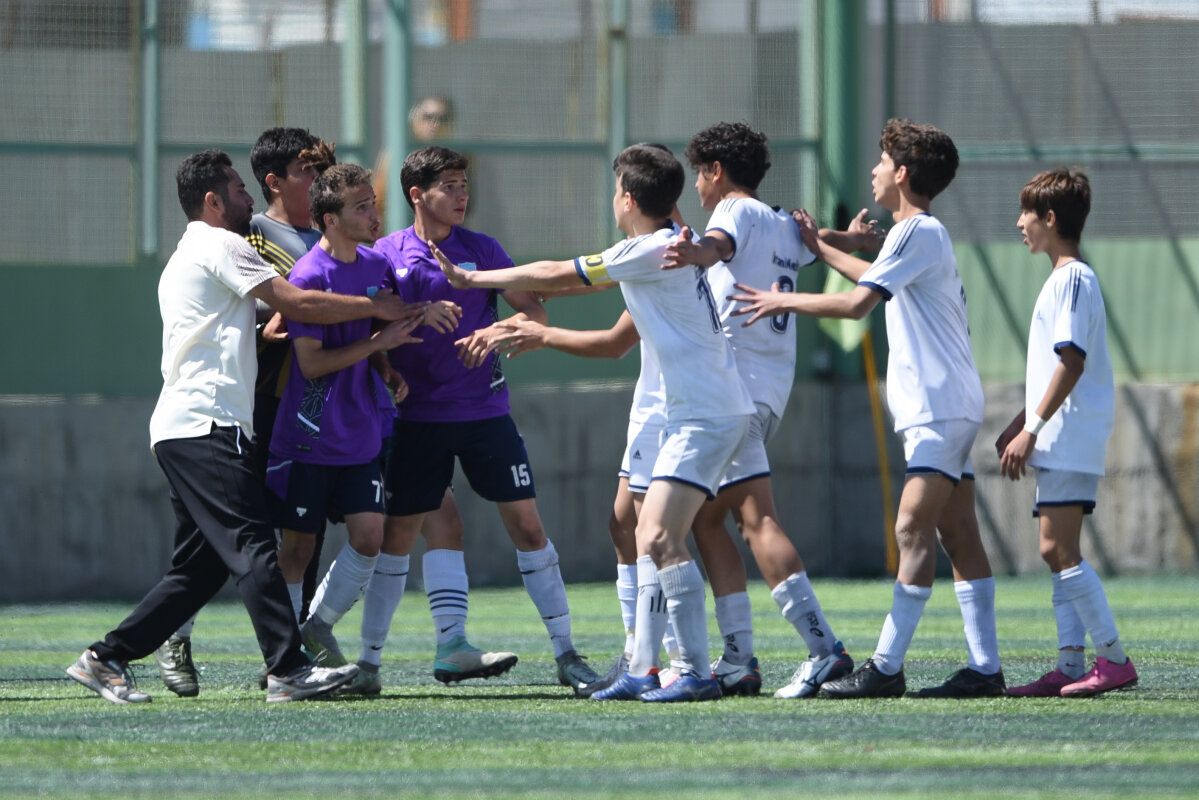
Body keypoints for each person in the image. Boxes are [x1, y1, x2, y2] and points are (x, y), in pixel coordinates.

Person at [66, 149, 427, 704]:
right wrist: (376, 309)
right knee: (254, 545)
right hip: (208, 423)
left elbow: (242, 319)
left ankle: (105, 656)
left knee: (202, 568)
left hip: (185, 425)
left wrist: (265, 329)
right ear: (213, 201)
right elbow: (296, 301)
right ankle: (288, 668)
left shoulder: (188, 253)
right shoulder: (221, 243)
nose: (249, 197)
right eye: (238, 189)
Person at [433, 143, 756, 702]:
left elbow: (556, 273)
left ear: (627, 199)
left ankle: (693, 670)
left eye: (616, 190)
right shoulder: (659, 245)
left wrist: (470, 278)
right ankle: (645, 667)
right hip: (700, 410)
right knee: (644, 530)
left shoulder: (651, 248)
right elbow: (588, 299)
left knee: (657, 535)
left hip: (706, 413)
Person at [730, 119, 1004, 698]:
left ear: (901, 173)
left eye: (881, 161)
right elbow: (872, 277)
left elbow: (857, 304)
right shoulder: (918, 233)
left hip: (939, 407)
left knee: (911, 527)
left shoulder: (917, 229)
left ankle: (885, 667)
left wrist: (784, 300)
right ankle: (985, 668)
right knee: (958, 532)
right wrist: (823, 247)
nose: (874, 171)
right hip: (947, 404)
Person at [368, 145, 599, 694]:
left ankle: (567, 654)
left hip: (486, 414)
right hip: (416, 420)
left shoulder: (484, 250)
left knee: (529, 527)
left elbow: (533, 309)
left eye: (463, 184)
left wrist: (499, 330)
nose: (461, 195)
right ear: (416, 194)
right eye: (448, 185)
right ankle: (369, 662)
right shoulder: (385, 255)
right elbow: (369, 328)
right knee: (398, 537)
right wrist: (391, 361)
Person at [662, 121, 853, 699]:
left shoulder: (735, 211)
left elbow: (718, 246)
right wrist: (854, 239)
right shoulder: (780, 221)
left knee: (756, 520)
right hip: (766, 391)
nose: (698, 185)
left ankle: (824, 648)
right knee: (707, 519)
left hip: (733, 394)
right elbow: (818, 244)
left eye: (700, 174)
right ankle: (739, 658)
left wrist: (694, 252)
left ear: (716, 172)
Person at [152, 128, 337, 697]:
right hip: (242, 404)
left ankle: (293, 648)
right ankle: (173, 637)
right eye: (308, 171)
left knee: (301, 530)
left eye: (323, 171)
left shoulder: (333, 233)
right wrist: (274, 327)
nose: (319, 181)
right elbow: (267, 307)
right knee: (220, 541)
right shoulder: (239, 235)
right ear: (275, 181)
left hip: (310, 405)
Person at [263, 164, 459, 697]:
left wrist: (387, 368)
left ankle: (315, 627)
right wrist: (379, 344)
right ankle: (283, 657)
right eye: (361, 207)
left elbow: (377, 328)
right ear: (330, 219)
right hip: (309, 431)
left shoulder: (375, 265)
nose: (375, 214)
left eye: (372, 203)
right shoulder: (308, 276)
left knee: (370, 537)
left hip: (361, 427)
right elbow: (313, 363)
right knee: (298, 550)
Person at [998, 169, 1136, 697]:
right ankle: (1070, 665)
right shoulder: (1064, 278)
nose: (1020, 223)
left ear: (1051, 219)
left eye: (1027, 214)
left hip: (1067, 435)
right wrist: (1023, 423)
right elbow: (1057, 367)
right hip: (1060, 434)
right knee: (1056, 550)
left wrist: (1032, 429)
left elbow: (1071, 362)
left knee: (1057, 548)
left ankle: (1114, 660)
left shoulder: (1073, 278)